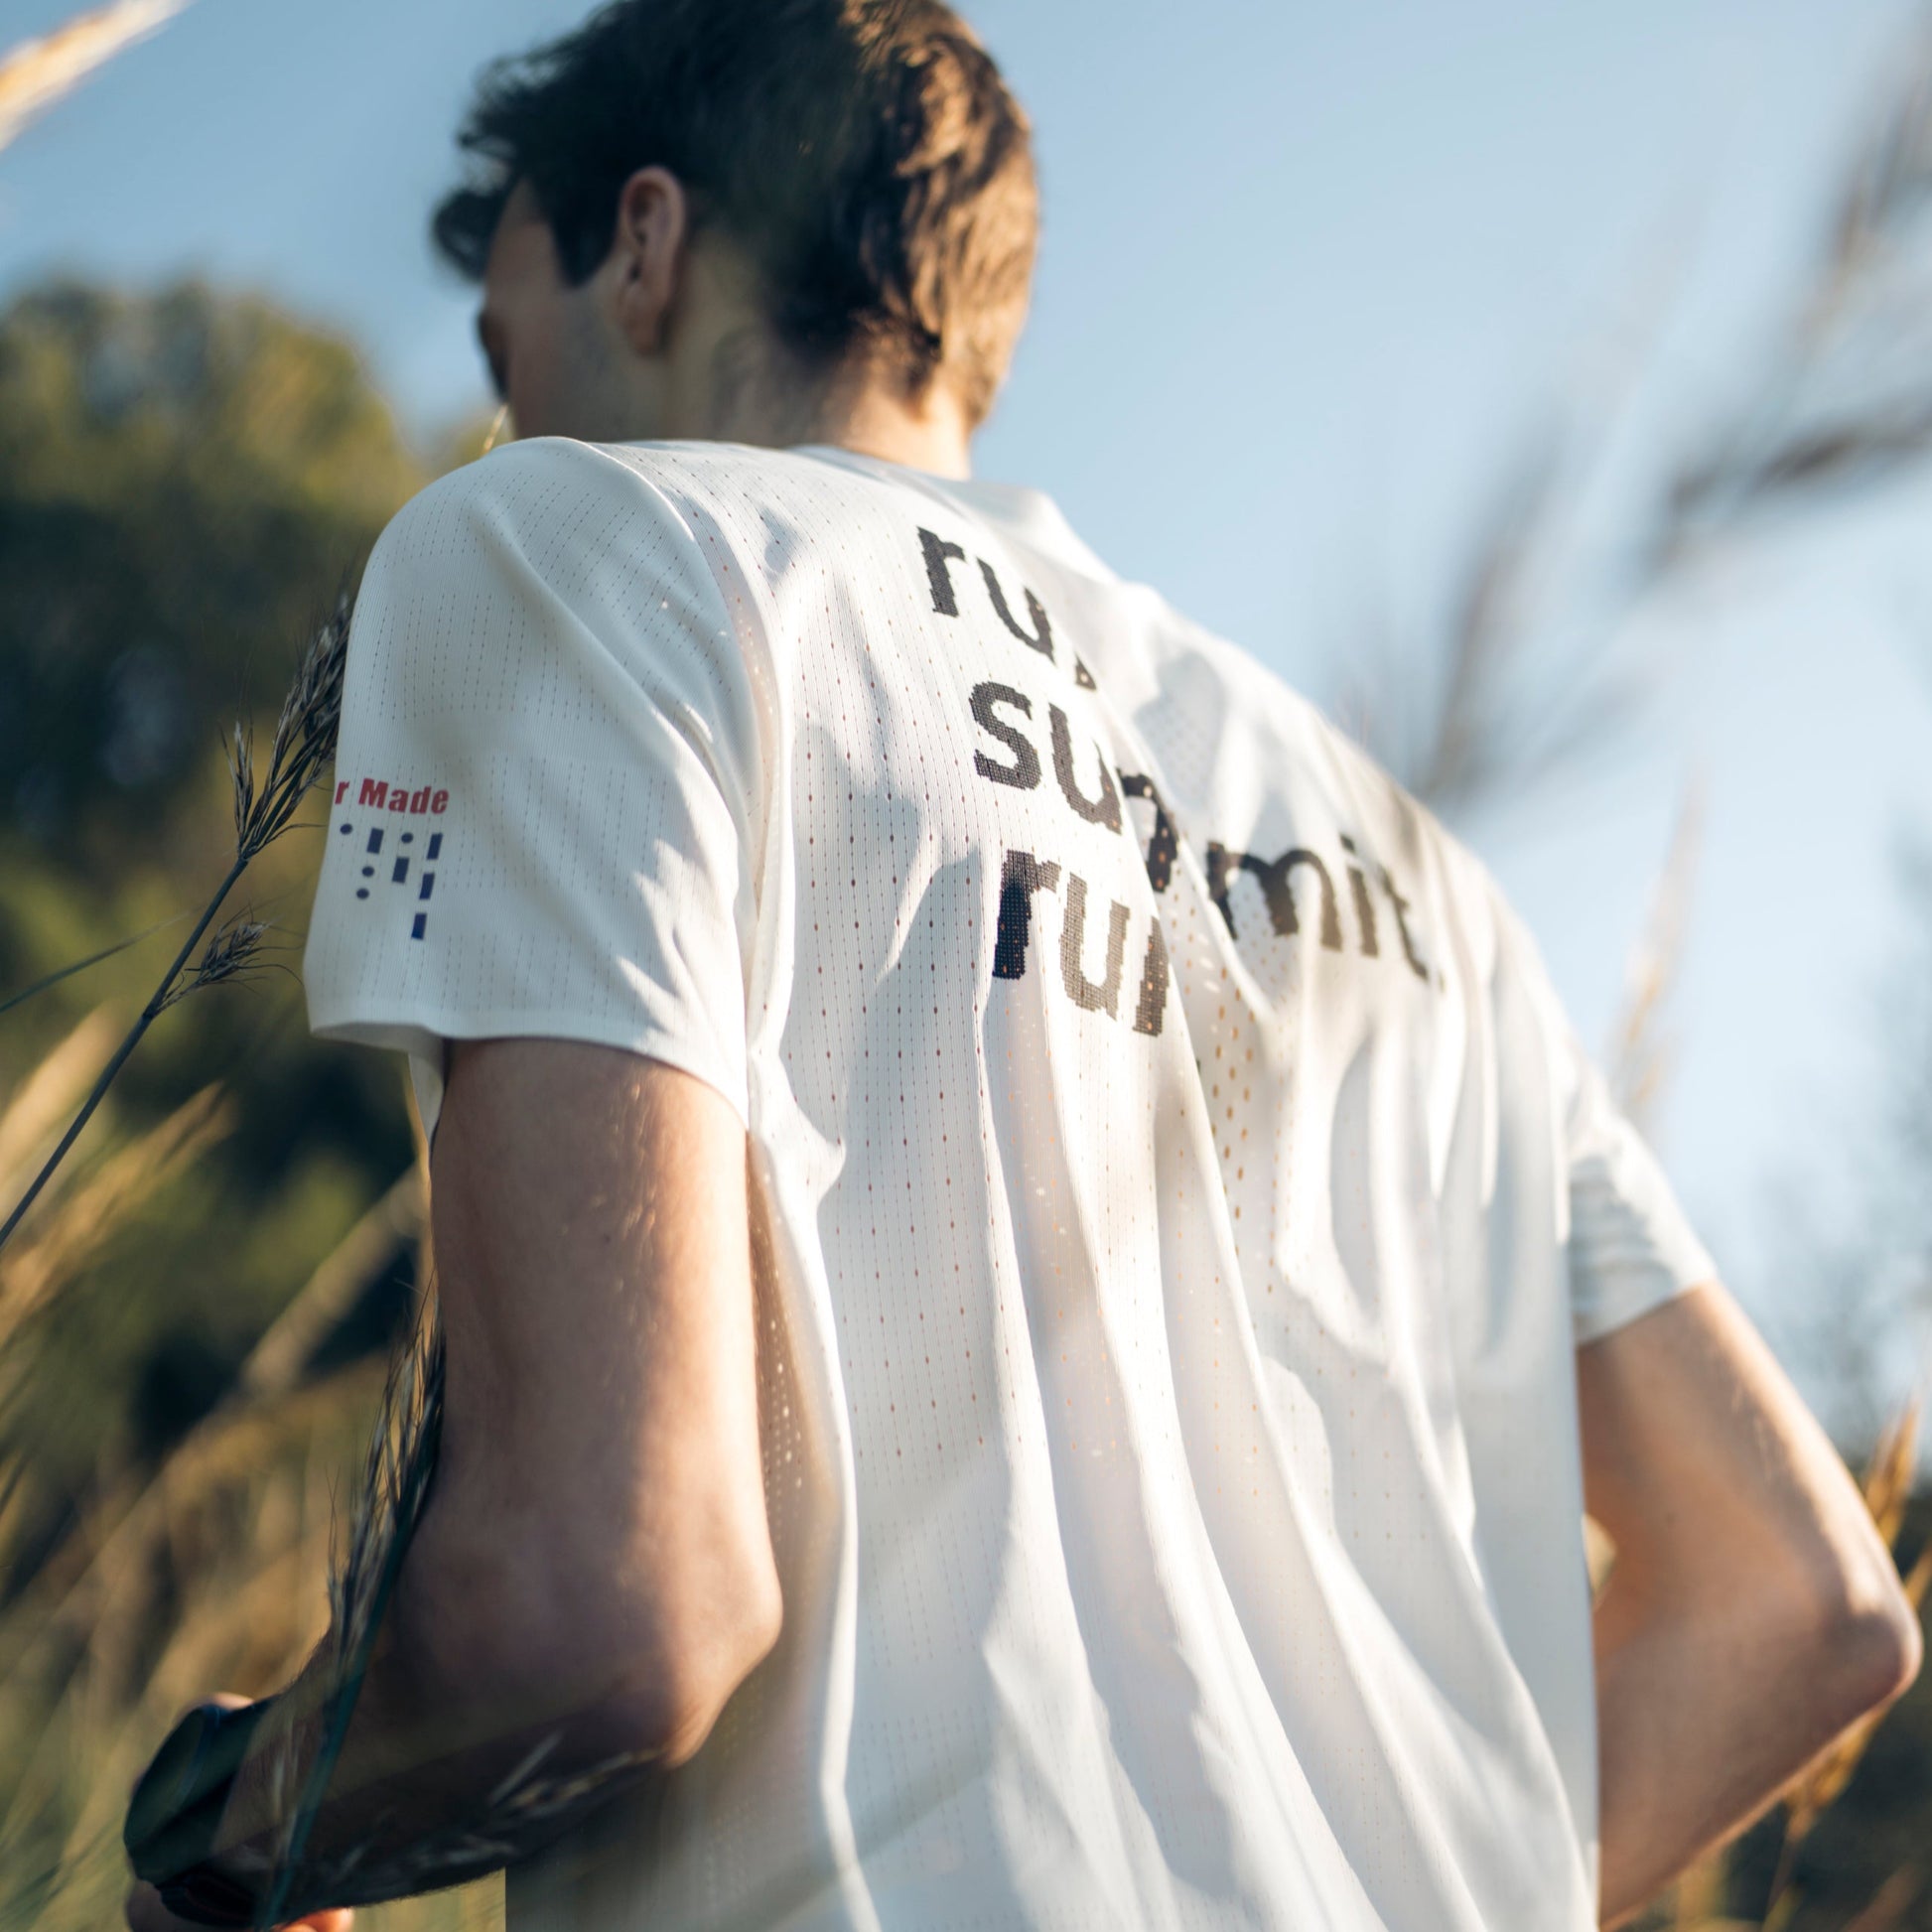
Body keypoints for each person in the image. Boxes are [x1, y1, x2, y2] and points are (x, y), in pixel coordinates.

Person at [126, 2, 1921, 1928]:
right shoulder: (1409, 860)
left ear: (642, 245)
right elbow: (1795, 1603)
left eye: (507, 355)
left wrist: (235, 1825)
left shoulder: (574, 546)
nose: (507, 425)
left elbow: (605, 1610)